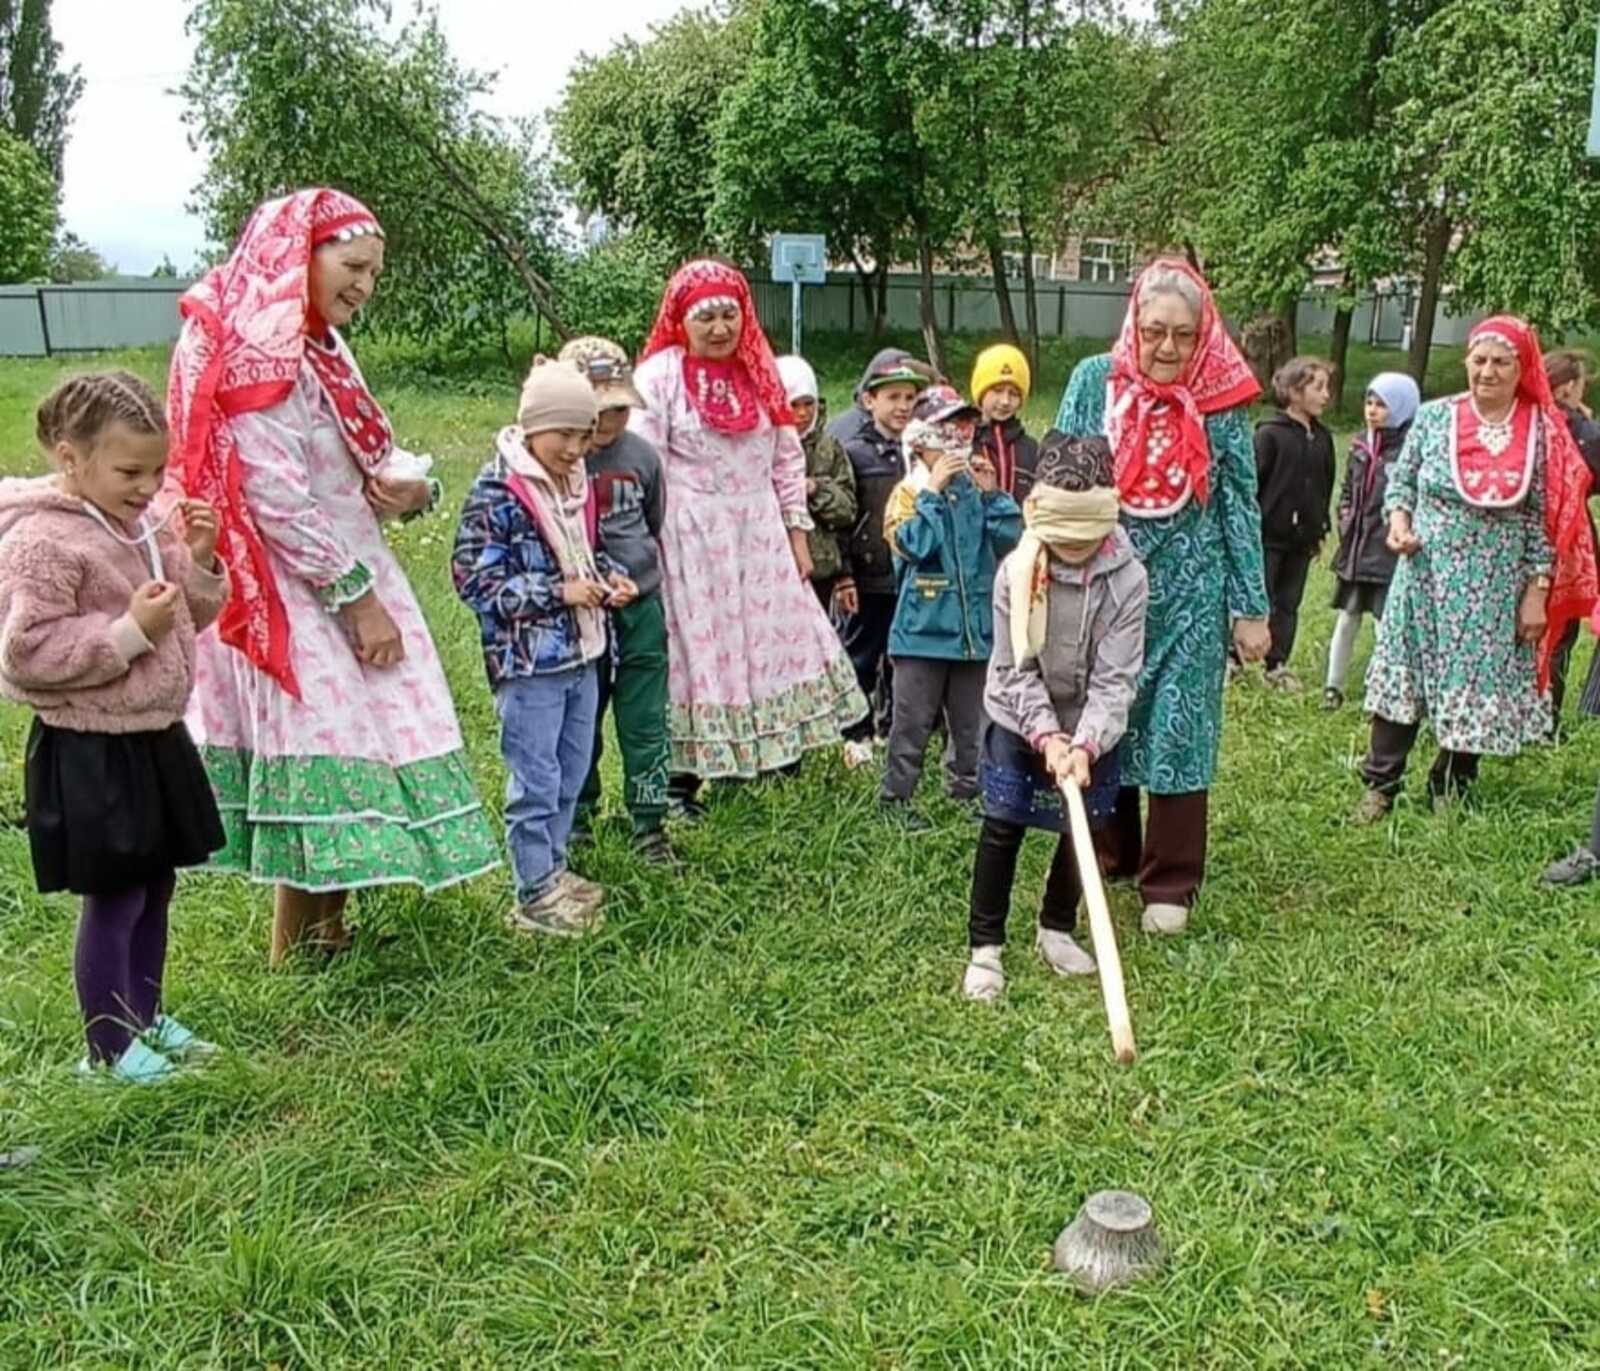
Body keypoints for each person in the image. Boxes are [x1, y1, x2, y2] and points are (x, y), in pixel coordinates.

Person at [167, 189, 500, 967]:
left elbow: (359, 458)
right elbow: (273, 493)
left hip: (348, 558)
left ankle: (330, 931)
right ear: (300, 256)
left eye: (374, 274)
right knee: (327, 742)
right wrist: (355, 599)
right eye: (352, 266)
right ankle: (294, 953)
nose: (364, 286)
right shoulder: (261, 345)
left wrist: (419, 492)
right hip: (293, 581)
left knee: (365, 742)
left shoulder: (317, 343)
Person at [0, 372, 228, 1082]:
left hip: (152, 732)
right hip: (89, 745)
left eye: (156, 469)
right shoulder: (43, 541)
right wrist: (128, 631)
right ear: (71, 457)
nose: (147, 485)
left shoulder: (145, 525)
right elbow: (27, 651)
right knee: (117, 891)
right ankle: (106, 1048)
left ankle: (144, 1014)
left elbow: (190, 616)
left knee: (155, 883)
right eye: (130, 470)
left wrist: (200, 558)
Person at [1053, 258, 1271, 935]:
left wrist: (1252, 607)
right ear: (1134, 326)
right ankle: (1108, 852)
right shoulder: (1095, 380)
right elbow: (1061, 475)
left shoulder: (1221, 397)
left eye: (1183, 334)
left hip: (1191, 593)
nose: (1169, 347)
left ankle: (1170, 880)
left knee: (1181, 725)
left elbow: (1238, 501)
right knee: (1105, 714)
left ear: (1202, 334)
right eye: (1155, 332)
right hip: (1105, 587)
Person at [630, 260, 867, 809]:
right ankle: (680, 783)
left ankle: (769, 760)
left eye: (729, 315)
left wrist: (797, 538)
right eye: (705, 316)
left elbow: (786, 461)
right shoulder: (659, 377)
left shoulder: (760, 370)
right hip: (690, 534)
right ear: (681, 320)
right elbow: (647, 463)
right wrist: (655, 542)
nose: (719, 328)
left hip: (758, 536)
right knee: (699, 653)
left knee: (772, 645)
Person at [1354, 317, 1598, 824]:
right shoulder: (1435, 416)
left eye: (1500, 362)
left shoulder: (1538, 431)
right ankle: (1380, 786)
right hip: (1425, 572)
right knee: (1407, 674)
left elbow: (1542, 518)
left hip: (1493, 584)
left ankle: (1451, 785)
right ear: (1466, 362)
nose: (1487, 372)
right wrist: (1399, 523)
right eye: (1479, 360)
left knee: (1475, 681)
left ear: (1521, 368)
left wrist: (1536, 590)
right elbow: (1403, 486)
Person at [453, 361, 635, 936]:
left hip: (582, 652)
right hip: (529, 663)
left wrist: (610, 578)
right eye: (565, 434)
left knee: (571, 770)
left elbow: (585, 553)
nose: (577, 448)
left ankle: (554, 870)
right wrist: (558, 593)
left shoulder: (574, 487)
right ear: (533, 426)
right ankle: (532, 891)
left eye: (585, 435)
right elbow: (475, 581)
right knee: (534, 776)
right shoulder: (498, 493)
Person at [964, 433, 1148, 1001]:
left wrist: (1086, 744)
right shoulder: (1014, 574)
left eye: (1085, 536)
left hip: (1093, 722)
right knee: (1003, 823)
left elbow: (1117, 679)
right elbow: (1013, 669)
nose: (1074, 548)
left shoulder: (1128, 579)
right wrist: (1045, 734)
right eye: (1062, 536)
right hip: (1021, 720)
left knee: (1084, 826)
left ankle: (1057, 927)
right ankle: (985, 948)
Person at [878, 385, 1021, 827]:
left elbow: (1011, 541)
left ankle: (967, 794)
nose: (960, 436)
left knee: (973, 723)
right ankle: (896, 801)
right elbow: (913, 546)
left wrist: (994, 494)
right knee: (912, 723)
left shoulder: (975, 490)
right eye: (948, 427)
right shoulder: (908, 492)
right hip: (921, 634)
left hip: (973, 634)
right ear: (921, 440)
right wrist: (932, 495)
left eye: (964, 426)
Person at [558, 337, 674, 865]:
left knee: (645, 714)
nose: (610, 420)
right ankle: (577, 817)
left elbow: (653, 520)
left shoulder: (642, 456)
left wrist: (636, 578)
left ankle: (649, 821)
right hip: (580, 611)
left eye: (620, 408)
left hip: (640, 607)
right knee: (582, 713)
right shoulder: (557, 461)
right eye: (598, 410)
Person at [829, 349, 929, 765]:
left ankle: (894, 729)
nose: (903, 407)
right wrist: (844, 574)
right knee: (862, 655)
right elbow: (842, 520)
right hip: (868, 577)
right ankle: (855, 733)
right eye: (893, 398)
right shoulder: (853, 451)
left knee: (904, 660)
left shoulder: (924, 452)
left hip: (912, 575)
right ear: (870, 401)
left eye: (910, 398)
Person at [1323, 372, 1420, 709]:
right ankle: (1332, 687)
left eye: (1382, 405)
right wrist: (1346, 521)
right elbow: (1348, 491)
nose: (1372, 411)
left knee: (1385, 624)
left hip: (1389, 552)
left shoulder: (1410, 448)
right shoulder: (1360, 445)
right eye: (1369, 402)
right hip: (1357, 549)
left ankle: (1382, 690)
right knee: (1347, 617)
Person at [1251, 357, 1335, 690]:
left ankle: (1277, 663)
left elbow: (1326, 485)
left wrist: (1320, 528)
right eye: (1318, 387)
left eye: (1327, 387)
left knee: (1288, 602)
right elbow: (1253, 486)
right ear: (1294, 391)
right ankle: (1237, 658)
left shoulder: (1324, 438)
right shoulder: (1269, 434)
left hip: (1301, 540)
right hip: (1268, 536)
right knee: (1261, 598)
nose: (1326, 395)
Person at [1541, 349, 1600, 727]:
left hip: (1521, 535)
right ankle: (1549, 719)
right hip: (1569, 540)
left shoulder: (1524, 422)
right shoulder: (1582, 432)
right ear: (1565, 388)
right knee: (1560, 630)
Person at [777, 354, 857, 612]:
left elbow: (848, 511)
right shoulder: (761, 446)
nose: (802, 413)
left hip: (819, 572)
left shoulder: (829, 448)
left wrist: (815, 489)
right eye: (793, 404)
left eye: (808, 403)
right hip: (772, 567)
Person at [971, 342, 1041, 501]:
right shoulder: (965, 444)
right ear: (980, 394)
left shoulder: (1031, 449)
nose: (1005, 401)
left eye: (1014, 394)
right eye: (997, 391)